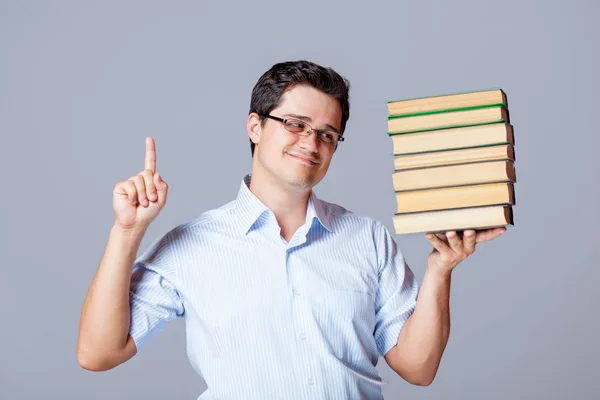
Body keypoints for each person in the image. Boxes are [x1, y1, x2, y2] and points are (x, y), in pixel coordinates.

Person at [77, 60, 505, 399]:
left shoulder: (367, 239)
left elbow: (418, 367)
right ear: (255, 126)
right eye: (296, 124)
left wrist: (441, 269)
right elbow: (98, 354)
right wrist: (126, 232)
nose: (311, 143)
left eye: (327, 133)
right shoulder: (194, 244)